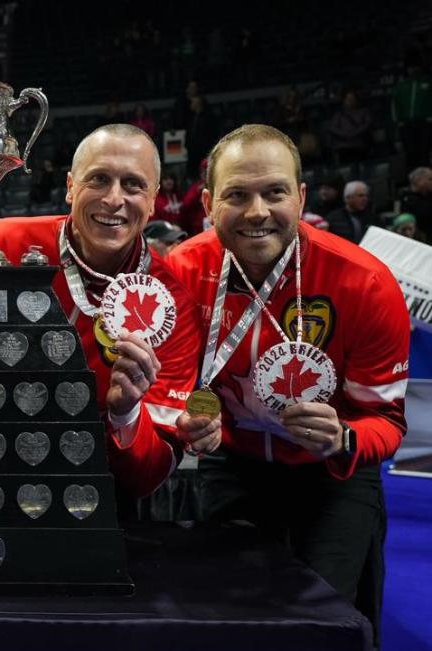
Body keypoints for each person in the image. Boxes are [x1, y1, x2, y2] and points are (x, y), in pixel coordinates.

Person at [166, 124, 410, 643]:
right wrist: (185, 415)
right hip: (232, 463)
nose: (257, 212)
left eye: (274, 192)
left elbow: (386, 423)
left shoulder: (363, 282)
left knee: (325, 624)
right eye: (236, 194)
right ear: (208, 203)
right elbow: (168, 385)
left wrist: (344, 437)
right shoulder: (182, 271)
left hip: (332, 476)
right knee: (232, 621)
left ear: (299, 197)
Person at [0, 124, 220, 502]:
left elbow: (149, 477)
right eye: (99, 179)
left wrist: (126, 414)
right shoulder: (5, 243)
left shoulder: (172, 303)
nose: (114, 199)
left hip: (94, 498)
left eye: (133, 185)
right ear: (70, 186)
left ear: (155, 198)